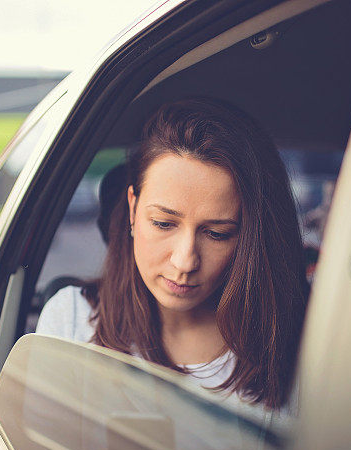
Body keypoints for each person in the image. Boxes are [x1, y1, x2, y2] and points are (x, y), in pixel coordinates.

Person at [37, 97, 308, 411]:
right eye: (164, 223)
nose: (185, 262)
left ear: (249, 236)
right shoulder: (71, 322)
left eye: (217, 233)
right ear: (133, 209)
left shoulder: (294, 348)